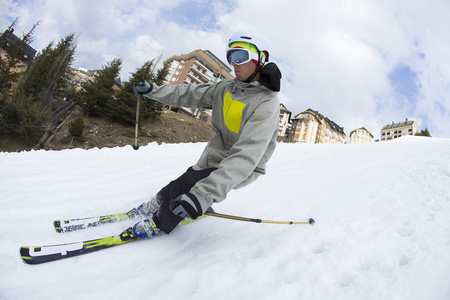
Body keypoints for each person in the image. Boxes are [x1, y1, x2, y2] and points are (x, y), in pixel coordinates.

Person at [131, 30, 282, 238]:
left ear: (260, 59)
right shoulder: (226, 88)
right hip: (215, 156)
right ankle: (159, 201)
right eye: (231, 56)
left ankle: (159, 223)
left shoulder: (267, 102)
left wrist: (203, 196)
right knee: (185, 180)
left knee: (187, 188)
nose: (234, 63)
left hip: (242, 166)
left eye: (240, 56)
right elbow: (187, 94)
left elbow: (247, 154)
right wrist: (152, 91)